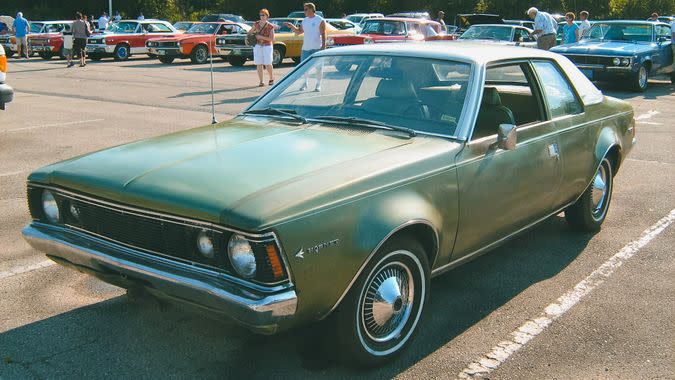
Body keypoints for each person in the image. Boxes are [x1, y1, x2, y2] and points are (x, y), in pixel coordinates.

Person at [284, 3, 326, 91]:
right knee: (303, 68)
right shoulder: (305, 20)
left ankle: (318, 84)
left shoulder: (320, 20)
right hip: (305, 49)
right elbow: (299, 32)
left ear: (311, 9)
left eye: (306, 9)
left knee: (318, 68)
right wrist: (291, 26)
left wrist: (323, 46)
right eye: (304, 9)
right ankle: (304, 84)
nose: (304, 11)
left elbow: (323, 34)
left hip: (317, 48)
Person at [251, 9, 275, 87]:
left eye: (263, 15)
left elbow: (272, 39)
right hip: (258, 46)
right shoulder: (256, 24)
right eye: (261, 15)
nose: (262, 17)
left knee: (268, 63)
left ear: (267, 16)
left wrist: (261, 37)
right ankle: (261, 81)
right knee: (259, 63)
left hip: (267, 46)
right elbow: (250, 32)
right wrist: (249, 37)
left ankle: (271, 78)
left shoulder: (270, 26)